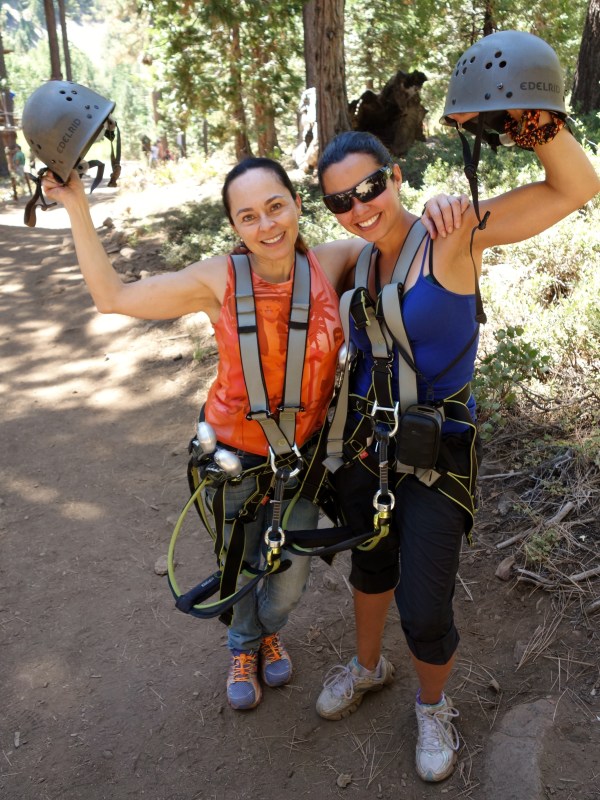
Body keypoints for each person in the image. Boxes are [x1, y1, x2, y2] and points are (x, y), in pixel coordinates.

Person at [41, 155, 463, 712]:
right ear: (235, 227)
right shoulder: (218, 278)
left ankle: (268, 626)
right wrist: (76, 206)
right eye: (248, 217)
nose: (267, 226)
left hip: (304, 460)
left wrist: (436, 208)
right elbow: (112, 298)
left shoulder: (333, 262)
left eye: (275, 207)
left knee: (288, 580)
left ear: (296, 204)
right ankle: (245, 644)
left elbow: (391, 235)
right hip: (232, 457)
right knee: (240, 563)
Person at [313, 30, 600, 783]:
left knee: (426, 599)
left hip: (437, 452)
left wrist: (526, 119)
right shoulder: (351, 256)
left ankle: (431, 707)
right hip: (370, 445)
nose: (359, 207)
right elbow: (269, 266)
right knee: (369, 570)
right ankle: (368, 666)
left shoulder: (454, 233)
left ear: (396, 176)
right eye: (339, 200)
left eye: (370, 188)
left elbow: (575, 188)